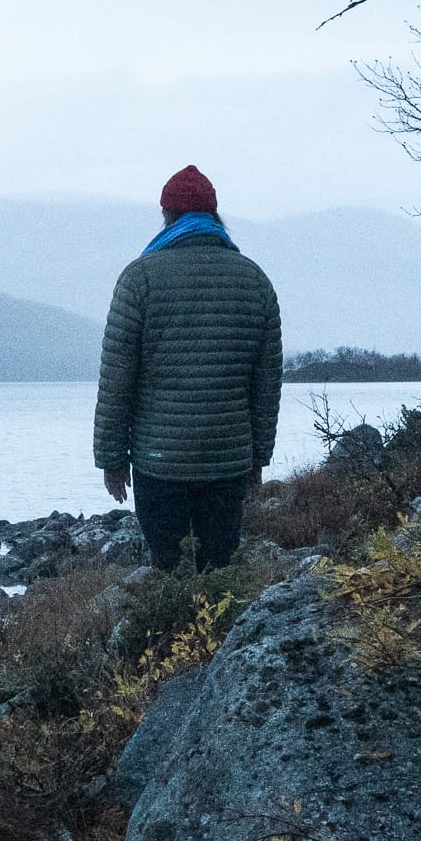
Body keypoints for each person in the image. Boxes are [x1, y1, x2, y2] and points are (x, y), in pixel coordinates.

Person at [93, 164, 282, 571]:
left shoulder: (139, 279)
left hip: (159, 461)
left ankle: (173, 632)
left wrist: (112, 458)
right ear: (215, 217)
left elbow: (116, 379)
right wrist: (258, 459)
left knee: (170, 571)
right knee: (220, 572)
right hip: (228, 460)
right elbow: (266, 386)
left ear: (167, 216)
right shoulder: (255, 281)